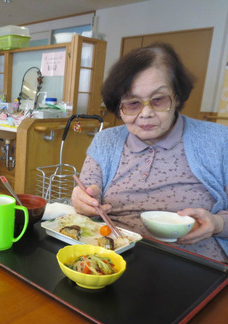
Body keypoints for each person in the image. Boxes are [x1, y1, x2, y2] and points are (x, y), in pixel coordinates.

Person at [71, 43, 228, 263]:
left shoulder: (219, 141)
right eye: (132, 103)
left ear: (178, 97)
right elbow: (84, 201)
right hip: (113, 261)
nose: (145, 113)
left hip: (197, 265)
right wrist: (82, 202)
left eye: (158, 100)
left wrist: (218, 224)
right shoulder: (106, 142)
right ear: (119, 107)